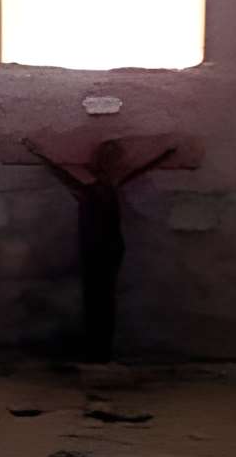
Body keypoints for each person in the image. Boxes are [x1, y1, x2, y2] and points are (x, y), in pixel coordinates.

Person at [24, 136, 176, 361]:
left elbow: (139, 171)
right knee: (100, 300)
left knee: (100, 300)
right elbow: (61, 174)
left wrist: (164, 157)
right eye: (108, 160)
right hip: (100, 252)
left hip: (105, 251)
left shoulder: (98, 189)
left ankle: (100, 351)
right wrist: (38, 155)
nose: (110, 166)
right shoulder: (93, 190)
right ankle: (99, 351)